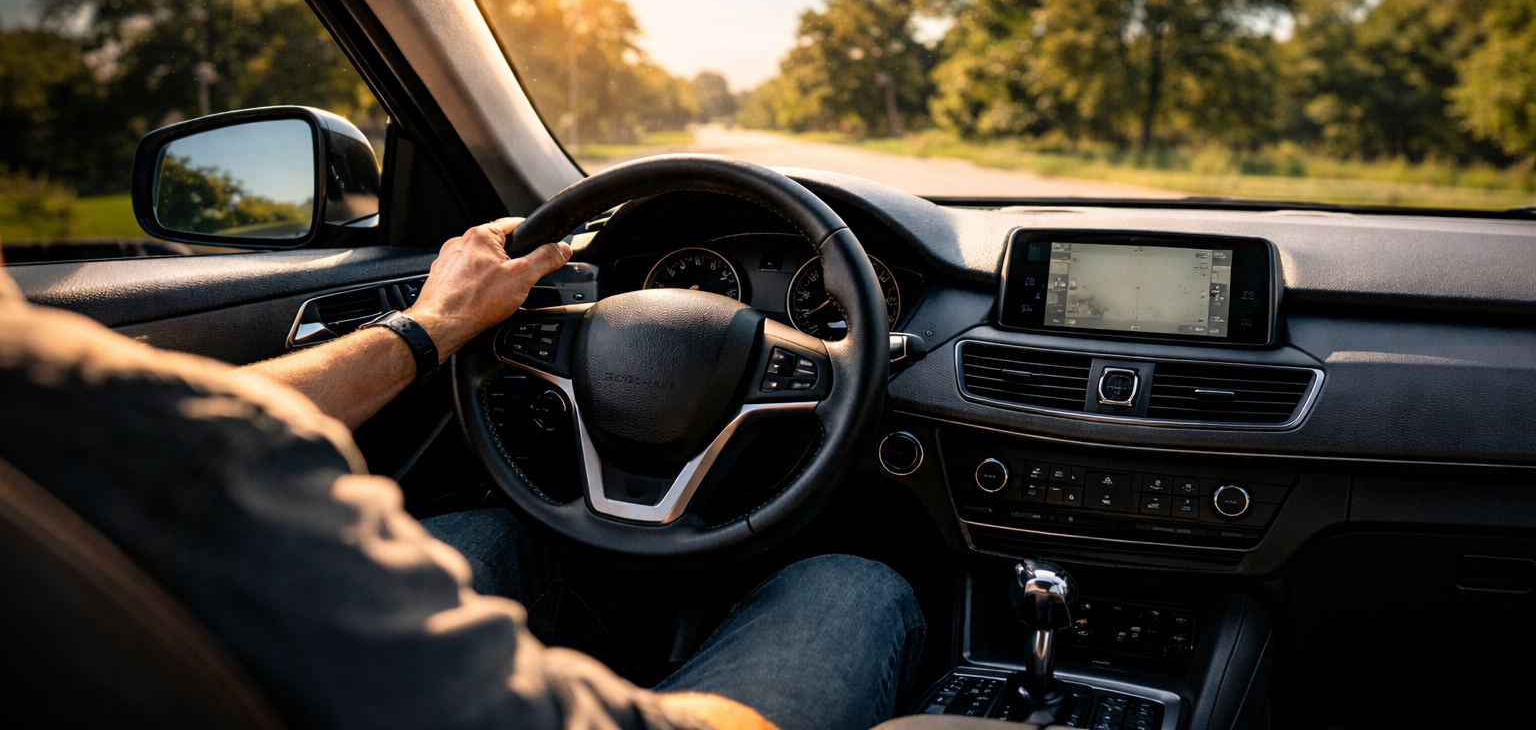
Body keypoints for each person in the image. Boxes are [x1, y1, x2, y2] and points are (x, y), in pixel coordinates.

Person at [0, 217, 925, 730]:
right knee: (852, 587)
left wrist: (433, 325)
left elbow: (219, 415)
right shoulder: (161, 434)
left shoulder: (78, 423)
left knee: (498, 535)